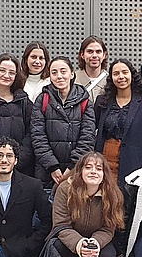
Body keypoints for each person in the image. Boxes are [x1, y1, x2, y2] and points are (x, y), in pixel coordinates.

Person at [51, 151, 126, 257]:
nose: (93, 172)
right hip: (69, 240)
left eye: (98, 168)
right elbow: (60, 225)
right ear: (80, 171)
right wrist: (79, 243)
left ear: (105, 173)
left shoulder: (113, 194)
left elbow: (108, 228)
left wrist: (94, 243)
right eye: (88, 167)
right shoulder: (65, 189)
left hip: (95, 240)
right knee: (57, 248)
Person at [31, 57, 96, 188]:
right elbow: (37, 136)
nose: (59, 76)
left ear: (72, 74)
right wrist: (52, 166)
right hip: (46, 172)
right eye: (54, 72)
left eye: (63, 71)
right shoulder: (43, 99)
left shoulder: (84, 101)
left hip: (76, 171)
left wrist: (72, 167)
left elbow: (87, 137)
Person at [94, 59, 142, 184]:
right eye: (116, 74)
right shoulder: (102, 102)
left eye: (125, 72)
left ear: (132, 75)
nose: (121, 77)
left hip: (134, 164)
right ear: (111, 77)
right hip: (105, 162)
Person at [74, 36, 110, 102]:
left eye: (98, 52)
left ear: (104, 55)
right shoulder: (72, 80)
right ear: (82, 55)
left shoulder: (110, 80)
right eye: (90, 51)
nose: (94, 55)